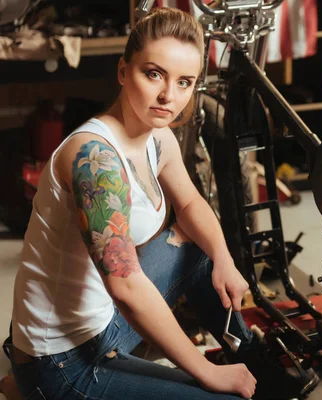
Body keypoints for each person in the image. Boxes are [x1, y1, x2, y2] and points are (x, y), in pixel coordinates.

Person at [4, 7, 304, 400]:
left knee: (196, 249)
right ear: (123, 71)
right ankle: (29, 388)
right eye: (154, 74)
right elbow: (126, 287)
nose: (169, 96)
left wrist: (225, 261)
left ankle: (256, 363)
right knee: (225, 397)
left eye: (184, 82)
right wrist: (209, 374)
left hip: (101, 319)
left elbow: (193, 204)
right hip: (62, 361)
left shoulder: (157, 137)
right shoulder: (96, 160)